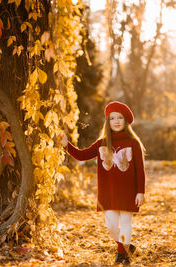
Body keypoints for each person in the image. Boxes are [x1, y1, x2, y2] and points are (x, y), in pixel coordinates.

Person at [61, 101, 146, 265]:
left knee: (126, 222)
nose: (116, 121)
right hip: (109, 191)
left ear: (125, 121)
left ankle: (122, 254)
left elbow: (140, 170)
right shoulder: (102, 143)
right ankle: (126, 245)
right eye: (112, 118)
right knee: (111, 226)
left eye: (120, 118)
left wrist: (140, 192)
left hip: (129, 190)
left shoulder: (133, 143)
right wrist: (67, 146)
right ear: (107, 121)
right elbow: (82, 155)